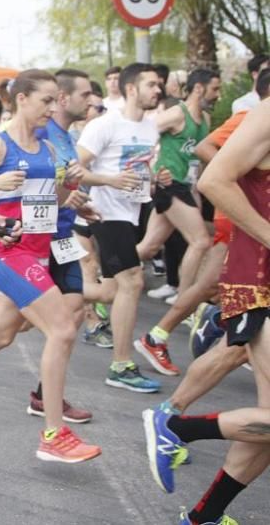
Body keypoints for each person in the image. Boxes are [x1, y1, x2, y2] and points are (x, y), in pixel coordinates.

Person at [0, 70, 100, 462]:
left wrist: (72, 188)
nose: (53, 107)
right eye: (46, 100)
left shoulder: (47, 147)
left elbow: (54, 199)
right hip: (9, 255)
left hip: (41, 252)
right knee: (62, 328)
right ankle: (53, 433)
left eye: (55, 100)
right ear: (22, 99)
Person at [142, 98, 270, 525]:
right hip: (259, 285)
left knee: (267, 430)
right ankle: (175, 429)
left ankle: (204, 518)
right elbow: (214, 179)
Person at [77, 63, 166, 392]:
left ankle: (54, 287)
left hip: (133, 212)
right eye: (152, 85)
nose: (158, 90)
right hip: (106, 213)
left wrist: (155, 180)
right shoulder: (105, 125)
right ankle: (122, 365)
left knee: (110, 291)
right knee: (133, 282)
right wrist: (109, 180)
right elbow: (74, 170)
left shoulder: (150, 128)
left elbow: (139, 169)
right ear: (131, 89)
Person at [134, 69, 222, 376]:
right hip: (168, 185)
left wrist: (196, 194)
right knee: (200, 241)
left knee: (148, 246)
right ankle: (186, 307)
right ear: (198, 88)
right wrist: (154, 171)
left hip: (185, 187)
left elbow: (195, 162)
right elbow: (143, 138)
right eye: (214, 89)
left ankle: (104, 292)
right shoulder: (175, 114)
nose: (217, 95)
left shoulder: (205, 122)